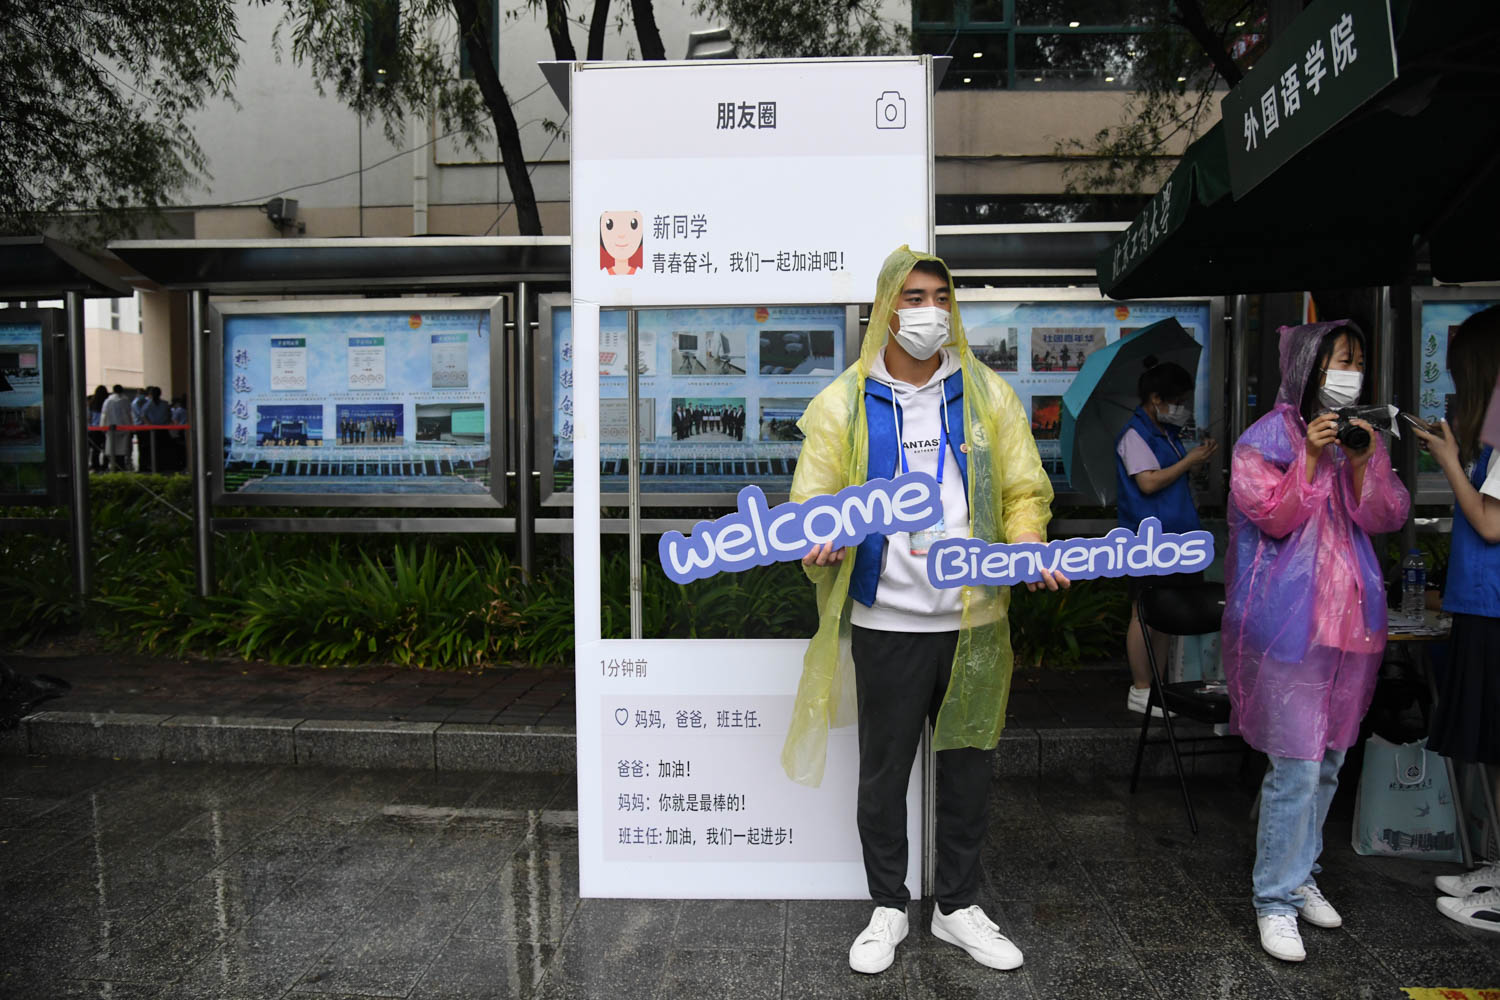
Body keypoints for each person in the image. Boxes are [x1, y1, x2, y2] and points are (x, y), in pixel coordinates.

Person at [787, 246, 1061, 976]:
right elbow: (812, 500)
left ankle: (956, 906)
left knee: (968, 771)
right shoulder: (845, 401)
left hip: (974, 623)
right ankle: (887, 906)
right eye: (913, 298)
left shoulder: (985, 392)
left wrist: (1027, 542)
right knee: (883, 774)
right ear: (887, 308)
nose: (929, 311)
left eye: (940, 297)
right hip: (888, 620)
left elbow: (1023, 488)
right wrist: (820, 538)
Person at [1223, 320, 1409, 963]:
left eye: (1357, 361)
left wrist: (1360, 461)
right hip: (1286, 624)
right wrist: (1307, 456)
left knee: (1329, 759)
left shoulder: (1359, 438)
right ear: (1308, 366)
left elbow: (1386, 514)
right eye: (1339, 360)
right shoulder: (1265, 439)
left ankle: (1302, 874)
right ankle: (1273, 900)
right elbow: (1271, 516)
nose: (1350, 373)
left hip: (1349, 622)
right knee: (1296, 766)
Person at [1409, 303, 1500, 931]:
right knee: (1490, 747)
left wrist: (1446, 459)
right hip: (1481, 605)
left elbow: (1491, 524)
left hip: (1495, 608)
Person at [1115, 357, 1218, 714]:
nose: (1182, 408)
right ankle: (1141, 688)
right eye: (1177, 401)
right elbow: (1148, 482)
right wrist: (1189, 462)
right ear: (1156, 399)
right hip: (1148, 538)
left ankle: (1156, 688)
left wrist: (1193, 461)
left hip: (1177, 537)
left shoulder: (1167, 435)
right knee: (1143, 612)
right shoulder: (1134, 434)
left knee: (1164, 615)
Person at [100, 384, 134, 471]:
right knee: (122, 450)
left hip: (111, 429)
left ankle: (113, 467)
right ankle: (121, 466)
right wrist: (131, 427)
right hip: (124, 428)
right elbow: (129, 414)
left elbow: (104, 415)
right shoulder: (125, 401)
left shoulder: (108, 401)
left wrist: (102, 427)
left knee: (112, 449)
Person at [87, 385, 109, 472]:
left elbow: (89, 417)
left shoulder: (92, 403)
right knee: (106, 448)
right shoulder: (107, 402)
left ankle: (95, 465)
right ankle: (105, 465)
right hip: (105, 428)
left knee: (96, 449)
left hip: (94, 429)